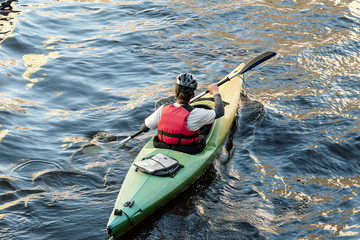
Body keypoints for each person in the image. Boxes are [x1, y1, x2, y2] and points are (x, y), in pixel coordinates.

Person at [140, 73, 224, 154]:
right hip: (188, 149)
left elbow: (144, 128)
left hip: (163, 145)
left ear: (175, 91)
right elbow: (220, 112)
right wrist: (216, 92)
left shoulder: (162, 109)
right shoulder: (197, 113)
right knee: (204, 129)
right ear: (192, 95)